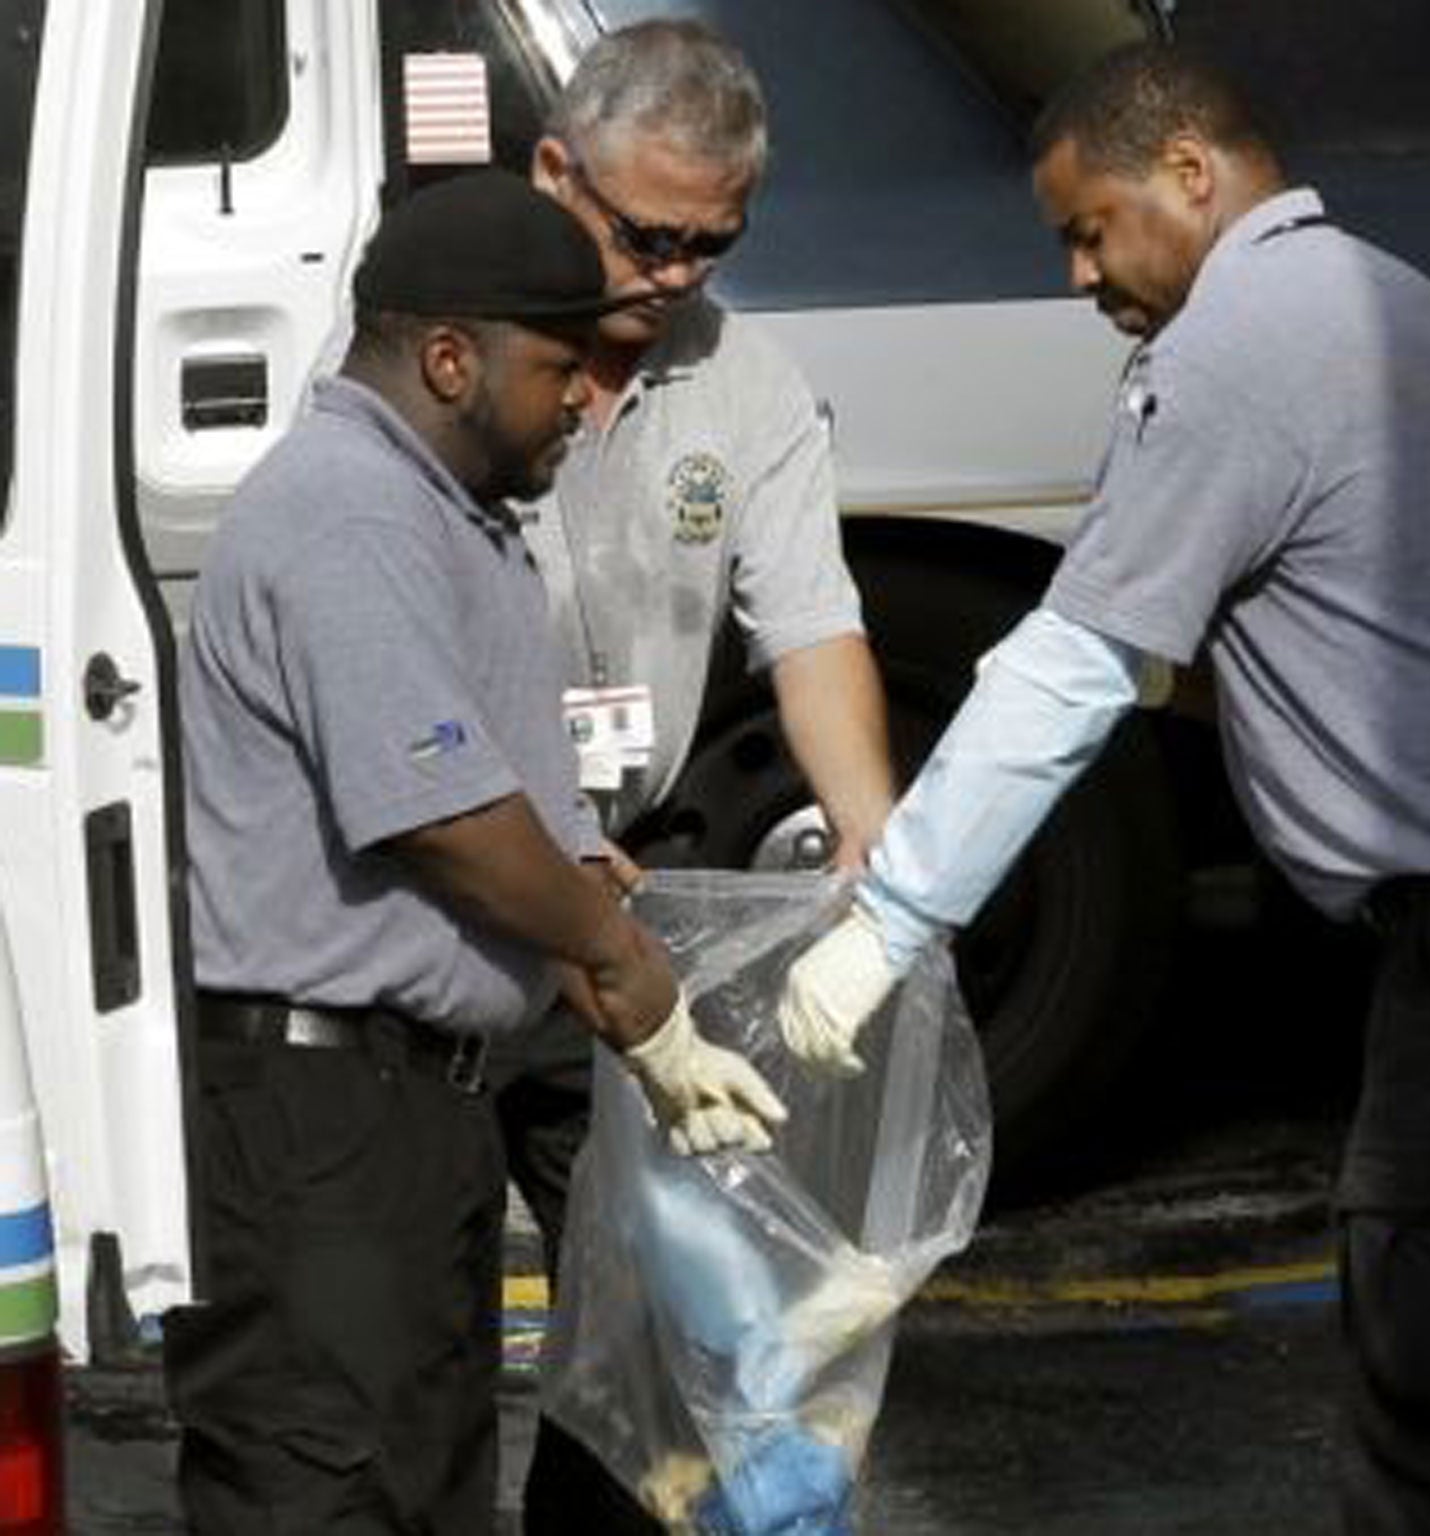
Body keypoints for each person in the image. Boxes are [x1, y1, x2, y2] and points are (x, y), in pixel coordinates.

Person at [777, 43, 1430, 1536]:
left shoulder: (1229, 349)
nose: (1080, 276)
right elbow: (1353, 625)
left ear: (1191, 174)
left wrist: (887, 924)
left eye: (1091, 230)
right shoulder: (1388, 299)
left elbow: (1067, 670)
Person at [168, 170, 787, 1534]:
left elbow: (486, 784)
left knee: (424, 1485)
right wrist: (614, 956)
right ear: (451, 360)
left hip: (407, 1112)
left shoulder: (440, 513)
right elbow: (440, 813)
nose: (582, 400)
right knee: (327, 1489)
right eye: (559, 368)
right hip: (322, 1121)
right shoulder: (349, 512)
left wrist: (579, 878)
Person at [502, 20, 896, 1530]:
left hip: (630, 893)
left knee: (649, 1317)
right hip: (456, 877)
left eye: (710, 244)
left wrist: (872, 841)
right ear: (556, 171)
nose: (672, 275)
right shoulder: (456, 357)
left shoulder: (746, 382)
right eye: (643, 235)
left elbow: (813, 625)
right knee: (411, 1322)